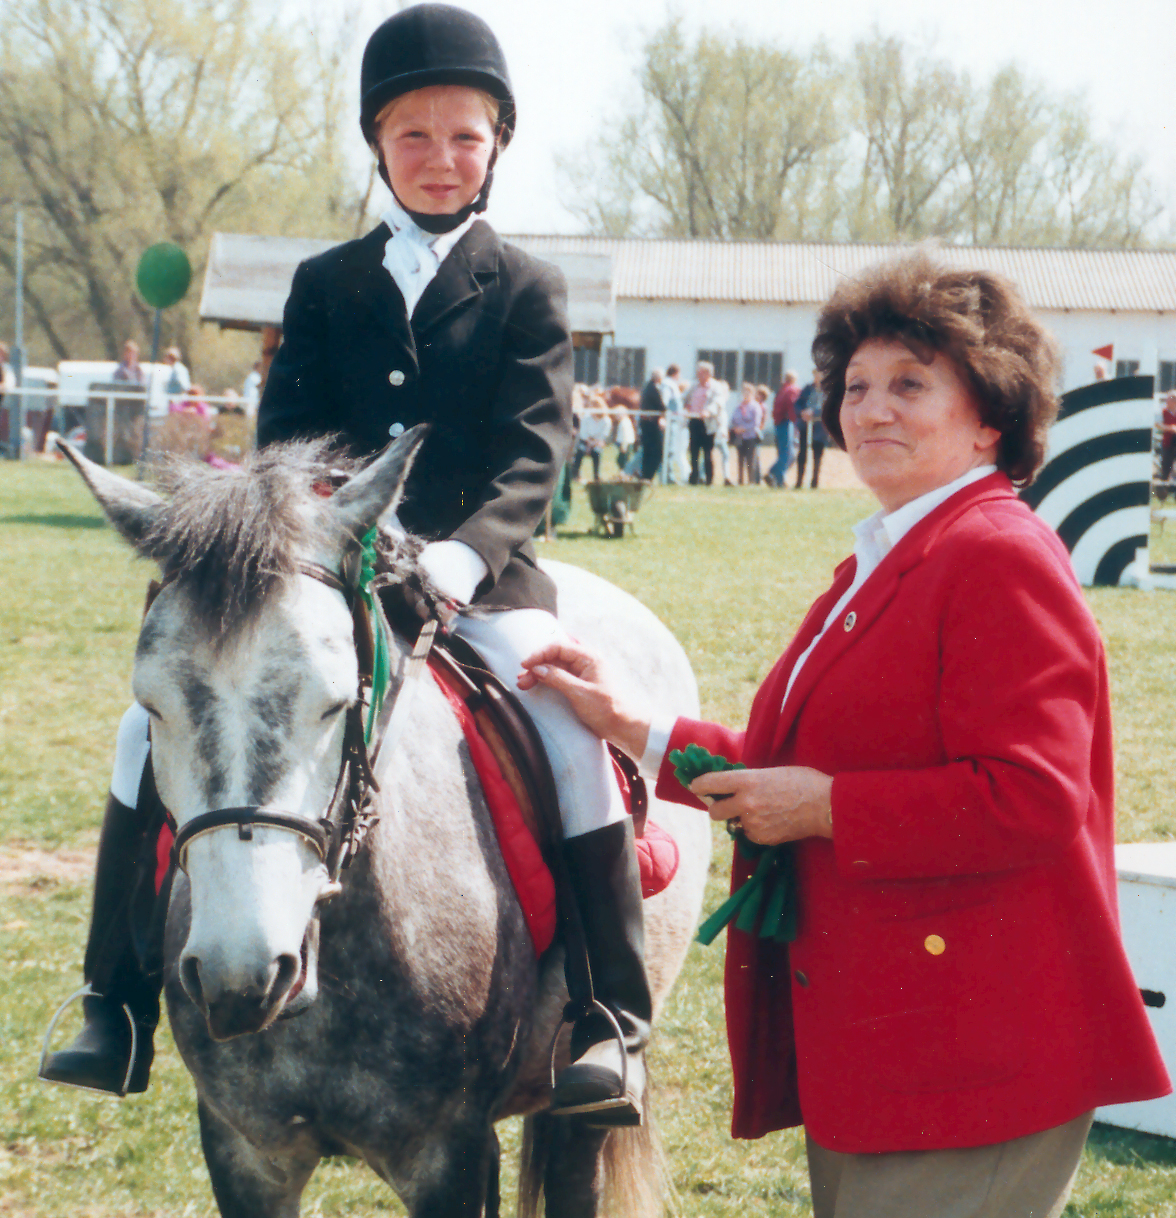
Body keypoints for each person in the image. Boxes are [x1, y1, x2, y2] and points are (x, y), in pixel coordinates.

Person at [42, 2, 653, 1128]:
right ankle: (114, 998)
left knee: (569, 735)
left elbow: (535, 453)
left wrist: (464, 560)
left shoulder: (527, 286)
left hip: (483, 581)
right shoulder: (326, 283)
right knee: (148, 728)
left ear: (498, 145)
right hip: (329, 570)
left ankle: (612, 1014)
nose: (439, 158)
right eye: (413, 136)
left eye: (463, 136)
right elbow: (285, 445)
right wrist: (321, 536)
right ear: (377, 144)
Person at [519, 250, 1170, 1215]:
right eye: (855, 386)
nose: (871, 409)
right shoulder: (899, 550)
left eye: (911, 383)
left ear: (988, 411)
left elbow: (1031, 798)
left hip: (970, 1059)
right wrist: (635, 726)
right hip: (899, 1042)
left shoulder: (996, 553)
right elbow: (794, 770)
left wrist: (826, 808)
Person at [683, 360, 725, 485]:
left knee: (707, 453)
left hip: (707, 424)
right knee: (694, 452)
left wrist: (708, 411)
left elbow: (718, 402)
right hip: (694, 421)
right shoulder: (694, 385)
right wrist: (685, 406)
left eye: (700, 372)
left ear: (707, 373)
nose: (697, 374)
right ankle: (694, 478)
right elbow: (684, 397)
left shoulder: (716, 387)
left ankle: (708, 479)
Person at [794, 371, 828, 489]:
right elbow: (798, 404)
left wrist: (814, 412)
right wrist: (802, 412)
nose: (817, 377)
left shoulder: (828, 390)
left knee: (817, 455)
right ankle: (799, 482)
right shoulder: (808, 389)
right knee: (802, 454)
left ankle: (815, 482)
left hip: (820, 428)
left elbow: (829, 407)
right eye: (815, 374)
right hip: (805, 426)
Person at [766, 370, 799, 486]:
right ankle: (776, 475)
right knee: (788, 453)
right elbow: (792, 407)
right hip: (787, 423)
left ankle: (775, 476)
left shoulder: (781, 390)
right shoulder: (792, 390)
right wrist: (797, 422)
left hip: (778, 423)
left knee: (784, 452)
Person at [729, 382, 764, 485]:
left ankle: (751, 481)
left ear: (752, 394)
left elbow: (756, 423)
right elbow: (733, 420)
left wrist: (744, 428)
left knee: (750, 460)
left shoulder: (755, 407)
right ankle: (740, 480)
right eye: (744, 392)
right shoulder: (739, 407)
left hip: (751, 437)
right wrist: (735, 428)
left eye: (748, 393)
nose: (746, 395)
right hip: (740, 437)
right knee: (740, 459)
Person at [661, 363, 687, 483]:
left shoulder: (671, 384)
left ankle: (669, 476)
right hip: (671, 421)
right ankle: (669, 477)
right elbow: (665, 401)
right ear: (676, 373)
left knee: (672, 448)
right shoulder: (668, 384)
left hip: (675, 421)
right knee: (669, 448)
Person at [639, 368, 665, 480]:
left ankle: (645, 475)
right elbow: (661, 405)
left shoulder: (646, 387)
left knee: (647, 451)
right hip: (651, 424)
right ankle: (648, 476)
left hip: (646, 423)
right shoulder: (653, 388)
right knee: (657, 452)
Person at [709, 380, 734, 486]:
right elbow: (718, 419)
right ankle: (726, 477)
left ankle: (726, 477)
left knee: (723, 454)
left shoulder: (721, 402)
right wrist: (722, 430)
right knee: (721, 454)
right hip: (717, 433)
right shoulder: (719, 402)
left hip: (720, 433)